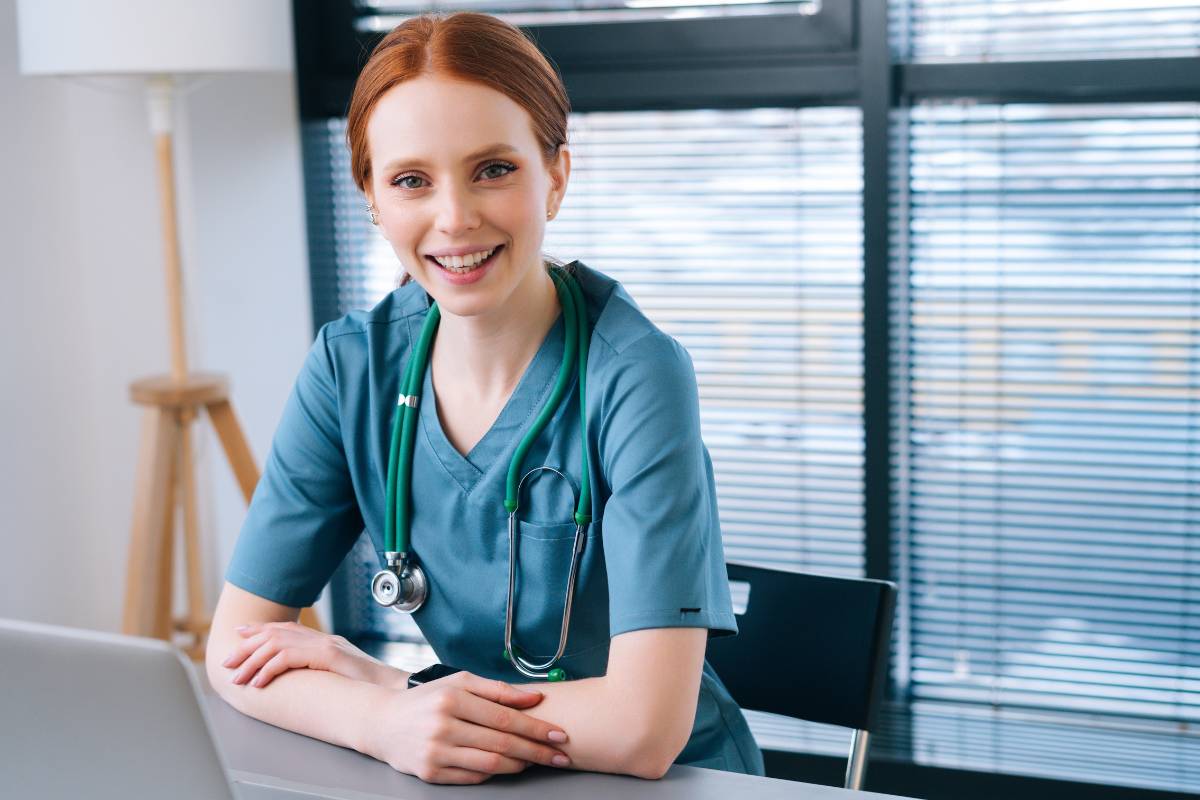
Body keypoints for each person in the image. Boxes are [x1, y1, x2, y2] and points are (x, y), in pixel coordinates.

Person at [205, 10, 765, 786]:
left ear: (556, 176)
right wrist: (383, 723)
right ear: (372, 196)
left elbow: (642, 731)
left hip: (669, 783)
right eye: (410, 180)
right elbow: (235, 654)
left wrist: (390, 688)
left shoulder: (637, 374)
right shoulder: (351, 369)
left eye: (493, 169)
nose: (455, 217)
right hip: (482, 771)